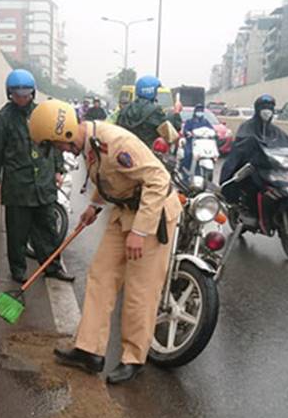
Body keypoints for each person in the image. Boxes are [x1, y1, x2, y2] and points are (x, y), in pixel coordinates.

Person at [27, 100, 181, 384]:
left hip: (152, 215)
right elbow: (110, 178)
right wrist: (94, 207)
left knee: (140, 290)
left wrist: (141, 231)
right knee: (101, 276)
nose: (60, 151)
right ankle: (89, 350)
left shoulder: (117, 143)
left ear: (68, 135)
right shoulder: (90, 143)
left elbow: (158, 180)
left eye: (58, 145)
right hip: (123, 211)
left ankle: (133, 358)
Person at [0, 70, 74, 284]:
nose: (22, 98)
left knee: (48, 229)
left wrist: (58, 169)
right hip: (18, 185)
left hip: (43, 182)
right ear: (10, 94)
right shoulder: (1, 120)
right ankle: (18, 271)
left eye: (26, 94)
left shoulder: (44, 115)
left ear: (32, 93)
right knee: (17, 233)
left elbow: (55, 143)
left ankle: (52, 267)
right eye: (17, 94)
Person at [221, 95, 288, 218]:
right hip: (252, 166)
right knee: (253, 184)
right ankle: (250, 213)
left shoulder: (275, 130)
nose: (267, 111)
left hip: (271, 166)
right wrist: (253, 146)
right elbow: (242, 144)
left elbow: (287, 143)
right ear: (257, 109)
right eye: (264, 107)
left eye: (270, 108)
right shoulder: (247, 127)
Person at [116, 75, 181, 148]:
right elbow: (170, 132)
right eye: (156, 91)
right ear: (151, 91)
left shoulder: (125, 109)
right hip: (146, 153)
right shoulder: (154, 111)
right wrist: (176, 112)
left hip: (125, 152)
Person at [180, 104, 215, 178]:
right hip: (192, 142)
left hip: (203, 144)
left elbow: (211, 129)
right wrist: (188, 133)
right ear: (195, 112)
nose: (200, 112)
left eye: (201, 111)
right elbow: (185, 130)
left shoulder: (205, 121)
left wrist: (214, 134)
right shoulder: (190, 121)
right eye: (198, 111)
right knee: (188, 154)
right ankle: (185, 172)